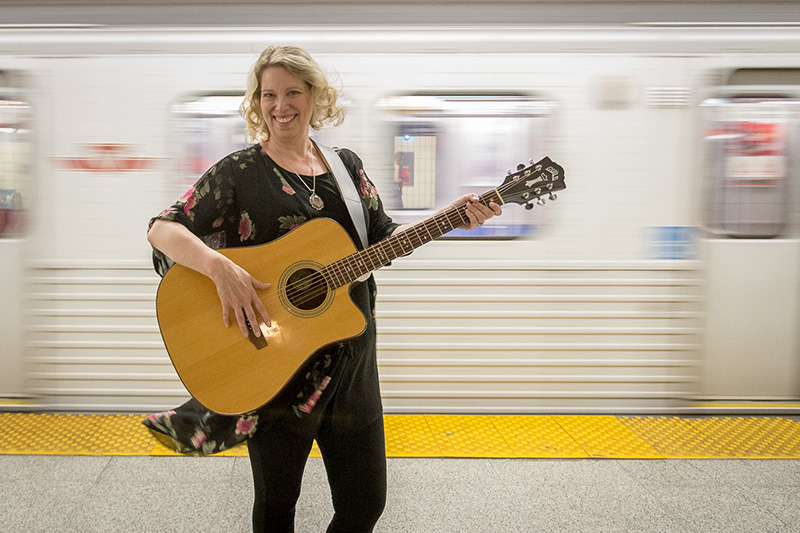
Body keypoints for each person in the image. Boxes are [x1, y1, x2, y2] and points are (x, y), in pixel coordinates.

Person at [144, 45, 501, 533]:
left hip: (352, 368)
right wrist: (218, 268)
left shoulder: (346, 169)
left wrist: (450, 218)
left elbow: (384, 239)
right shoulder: (239, 172)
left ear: (314, 96)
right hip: (275, 371)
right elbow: (163, 228)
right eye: (269, 94)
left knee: (364, 504)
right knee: (277, 510)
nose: (280, 105)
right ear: (257, 101)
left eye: (292, 92)